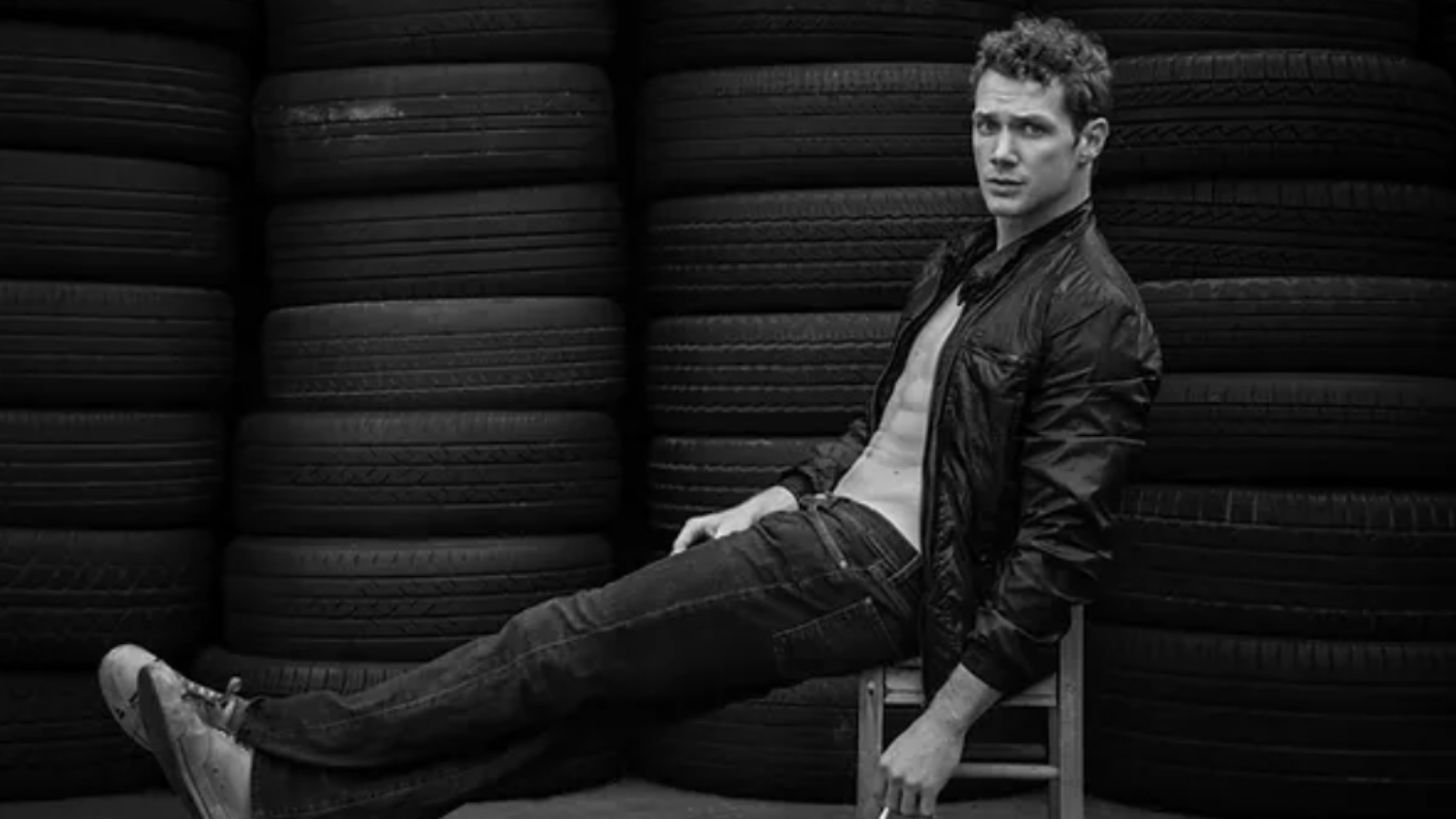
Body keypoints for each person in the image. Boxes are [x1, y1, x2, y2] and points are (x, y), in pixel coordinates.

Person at [97, 14, 1161, 819]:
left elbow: (1060, 547)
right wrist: (773, 495)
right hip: (834, 531)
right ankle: (276, 799)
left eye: (1030, 129)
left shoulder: (1096, 312)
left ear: (1091, 141)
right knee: (603, 708)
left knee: (561, 638)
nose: (1000, 150)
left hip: (883, 569)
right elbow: (882, 433)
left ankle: (256, 730)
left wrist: (947, 720)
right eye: (986, 124)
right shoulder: (964, 263)